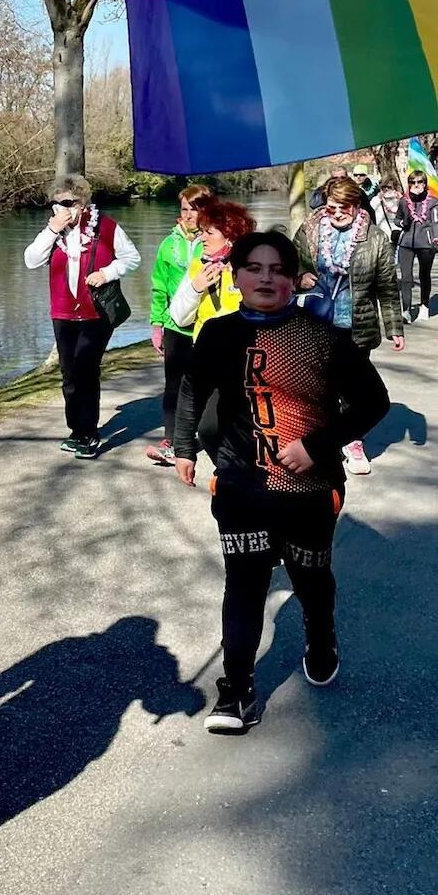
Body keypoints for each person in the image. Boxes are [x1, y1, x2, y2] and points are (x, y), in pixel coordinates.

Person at [175, 232, 389, 734]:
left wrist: (316, 446)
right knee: (245, 583)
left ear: (295, 279)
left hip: (309, 489)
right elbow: (192, 391)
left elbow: (373, 402)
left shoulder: (326, 336)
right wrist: (184, 447)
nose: (266, 278)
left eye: (278, 269)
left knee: (310, 580)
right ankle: (237, 688)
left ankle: (320, 635)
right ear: (236, 274)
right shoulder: (218, 334)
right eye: (254, 267)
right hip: (241, 486)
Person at [23, 174, 140, 459]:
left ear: (82, 203)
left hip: (95, 313)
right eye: (57, 203)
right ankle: (77, 430)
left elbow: (132, 258)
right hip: (62, 313)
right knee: (69, 374)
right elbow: (31, 261)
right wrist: (52, 230)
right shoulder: (53, 233)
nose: (62, 208)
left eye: (68, 202)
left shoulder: (107, 227)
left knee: (86, 369)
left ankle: (89, 433)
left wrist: (107, 273)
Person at [294, 175, 403, 476]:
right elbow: (290, 264)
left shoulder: (375, 237)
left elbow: (387, 286)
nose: (337, 213)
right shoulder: (310, 229)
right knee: (320, 388)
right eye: (331, 207)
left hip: (356, 327)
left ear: (356, 205)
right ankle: (318, 443)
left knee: (355, 391)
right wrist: (299, 278)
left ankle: (352, 440)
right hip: (316, 324)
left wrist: (394, 325)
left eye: (344, 207)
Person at [146, 182, 212, 466]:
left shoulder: (216, 241)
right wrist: (157, 324)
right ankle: (172, 438)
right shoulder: (168, 243)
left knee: (206, 384)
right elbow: (159, 286)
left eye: (194, 210)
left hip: (206, 324)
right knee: (174, 384)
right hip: (175, 326)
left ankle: (207, 434)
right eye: (184, 209)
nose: (188, 215)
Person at [167, 197, 257, 339]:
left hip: (243, 349)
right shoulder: (198, 267)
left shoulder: (251, 268)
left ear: (230, 237)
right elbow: (179, 318)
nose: (202, 238)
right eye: (202, 232)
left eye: (209, 233)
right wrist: (195, 289)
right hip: (205, 351)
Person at [396, 168, 436, 322]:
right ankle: (406, 309)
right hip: (406, 243)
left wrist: (436, 239)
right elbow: (397, 219)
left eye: (420, 182)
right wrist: (402, 222)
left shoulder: (432, 201)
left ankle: (425, 306)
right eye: (412, 182)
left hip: (425, 244)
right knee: (406, 278)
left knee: (424, 276)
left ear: (425, 184)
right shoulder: (403, 201)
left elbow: (435, 223)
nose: (416, 184)